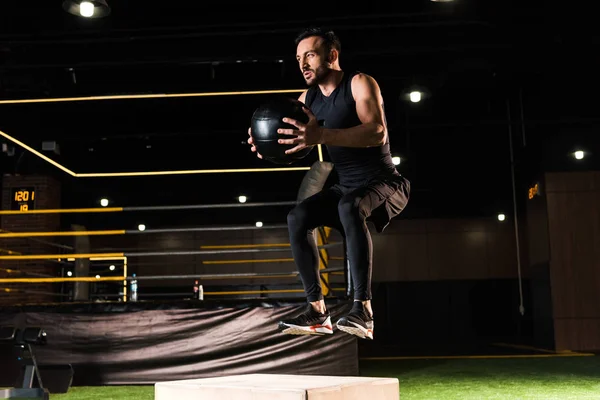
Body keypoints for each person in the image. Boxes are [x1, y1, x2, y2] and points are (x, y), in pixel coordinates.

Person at [247, 27, 410, 340]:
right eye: (298, 59)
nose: (303, 64)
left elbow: (377, 132)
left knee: (350, 206)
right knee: (297, 217)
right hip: (347, 187)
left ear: (332, 56)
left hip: (385, 182)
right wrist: (267, 145)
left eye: (310, 55)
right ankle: (317, 311)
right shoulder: (306, 100)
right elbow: (296, 142)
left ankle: (363, 309)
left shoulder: (359, 83)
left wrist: (320, 134)